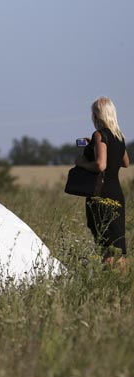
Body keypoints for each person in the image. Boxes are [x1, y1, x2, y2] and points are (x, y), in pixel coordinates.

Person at [75, 97, 129, 268]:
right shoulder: (118, 136)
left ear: (97, 115)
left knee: (106, 246)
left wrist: (81, 162)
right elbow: (125, 162)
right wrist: (97, 146)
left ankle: (109, 280)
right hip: (116, 193)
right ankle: (121, 285)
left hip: (101, 194)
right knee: (117, 245)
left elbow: (100, 164)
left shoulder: (99, 135)